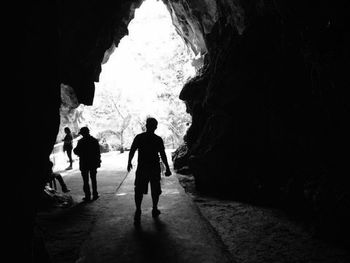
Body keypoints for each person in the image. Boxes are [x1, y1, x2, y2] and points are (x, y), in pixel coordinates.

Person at [127, 117, 172, 224]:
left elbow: (132, 150)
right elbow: (163, 155)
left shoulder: (139, 137)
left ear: (146, 126)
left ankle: (138, 210)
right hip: (154, 168)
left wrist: (129, 162)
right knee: (155, 189)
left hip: (142, 167)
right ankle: (155, 209)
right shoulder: (158, 139)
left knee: (138, 189)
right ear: (155, 127)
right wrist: (167, 168)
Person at [73, 127, 101, 202]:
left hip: (84, 163)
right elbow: (98, 152)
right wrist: (98, 161)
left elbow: (76, 151)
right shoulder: (94, 140)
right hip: (93, 163)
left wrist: (77, 152)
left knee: (85, 180)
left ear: (82, 133)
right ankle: (95, 194)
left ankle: (87, 196)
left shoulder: (81, 141)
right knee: (93, 179)